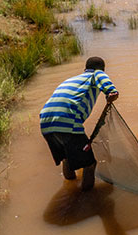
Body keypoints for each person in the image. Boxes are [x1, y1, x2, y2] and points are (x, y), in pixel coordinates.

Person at [40, 56, 119, 191]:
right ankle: (87, 198)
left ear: (84, 69)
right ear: (102, 69)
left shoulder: (70, 80)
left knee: (67, 158)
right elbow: (112, 91)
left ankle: (70, 190)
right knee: (89, 164)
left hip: (45, 123)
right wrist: (112, 95)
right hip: (67, 122)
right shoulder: (97, 73)